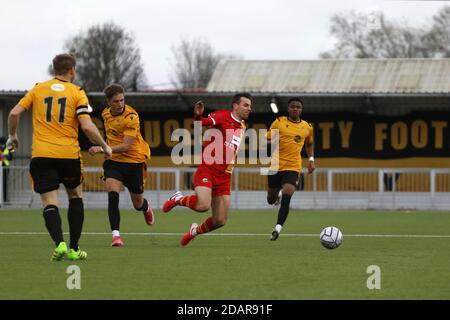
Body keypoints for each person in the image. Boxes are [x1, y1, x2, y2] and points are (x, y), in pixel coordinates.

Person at [7, 53, 112, 260]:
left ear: (53, 69)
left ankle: (59, 244)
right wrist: (105, 146)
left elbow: (13, 114)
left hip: (42, 155)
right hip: (68, 155)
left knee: (49, 202)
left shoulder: (38, 89)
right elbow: (87, 126)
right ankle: (74, 249)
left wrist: (13, 136)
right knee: (75, 197)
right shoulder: (77, 92)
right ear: (72, 70)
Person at [162, 93, 252, 246]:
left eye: (250, 106)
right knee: (203, 205)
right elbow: (203, 122)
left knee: (220, 220)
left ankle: (194, 231)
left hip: (224, 176)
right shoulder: (223, 116)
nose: (249, 108)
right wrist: (198, 116)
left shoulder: (242, 126)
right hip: (208, 169)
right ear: (235, 106)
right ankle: (177, 199)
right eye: (245, 105)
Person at [88, 84, 154, 247]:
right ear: (109, 102)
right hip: (113, 161)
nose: (120, 104)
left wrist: (103, 148)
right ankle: (116, 236)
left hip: (134, 160)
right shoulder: (105, 113)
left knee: (137, 204)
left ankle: (146, 207)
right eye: (116, 101)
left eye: (122, 100)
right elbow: (110, 136)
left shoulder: (131, 117)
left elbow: (126, 146)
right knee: (112, 194)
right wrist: (106, 148)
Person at [266, 98, 315, 241]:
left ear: (301, 109)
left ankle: (277, 228)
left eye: (298, 107)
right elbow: (268, 140)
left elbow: (309, 144)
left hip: (293, 167)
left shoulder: (307, 127)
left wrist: (311, 160)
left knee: (288, 194)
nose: (295, 109)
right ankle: (277, 195)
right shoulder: (279, 122)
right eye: (293, 107)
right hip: (275, 166)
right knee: (270, 200)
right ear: (288, 109)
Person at [0, 136, 13, 204]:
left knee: (4, 184)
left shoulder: (8, 148)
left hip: (5, 168)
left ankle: (4, 199)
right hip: (0, 167)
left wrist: (5, 156)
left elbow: (11, 157)